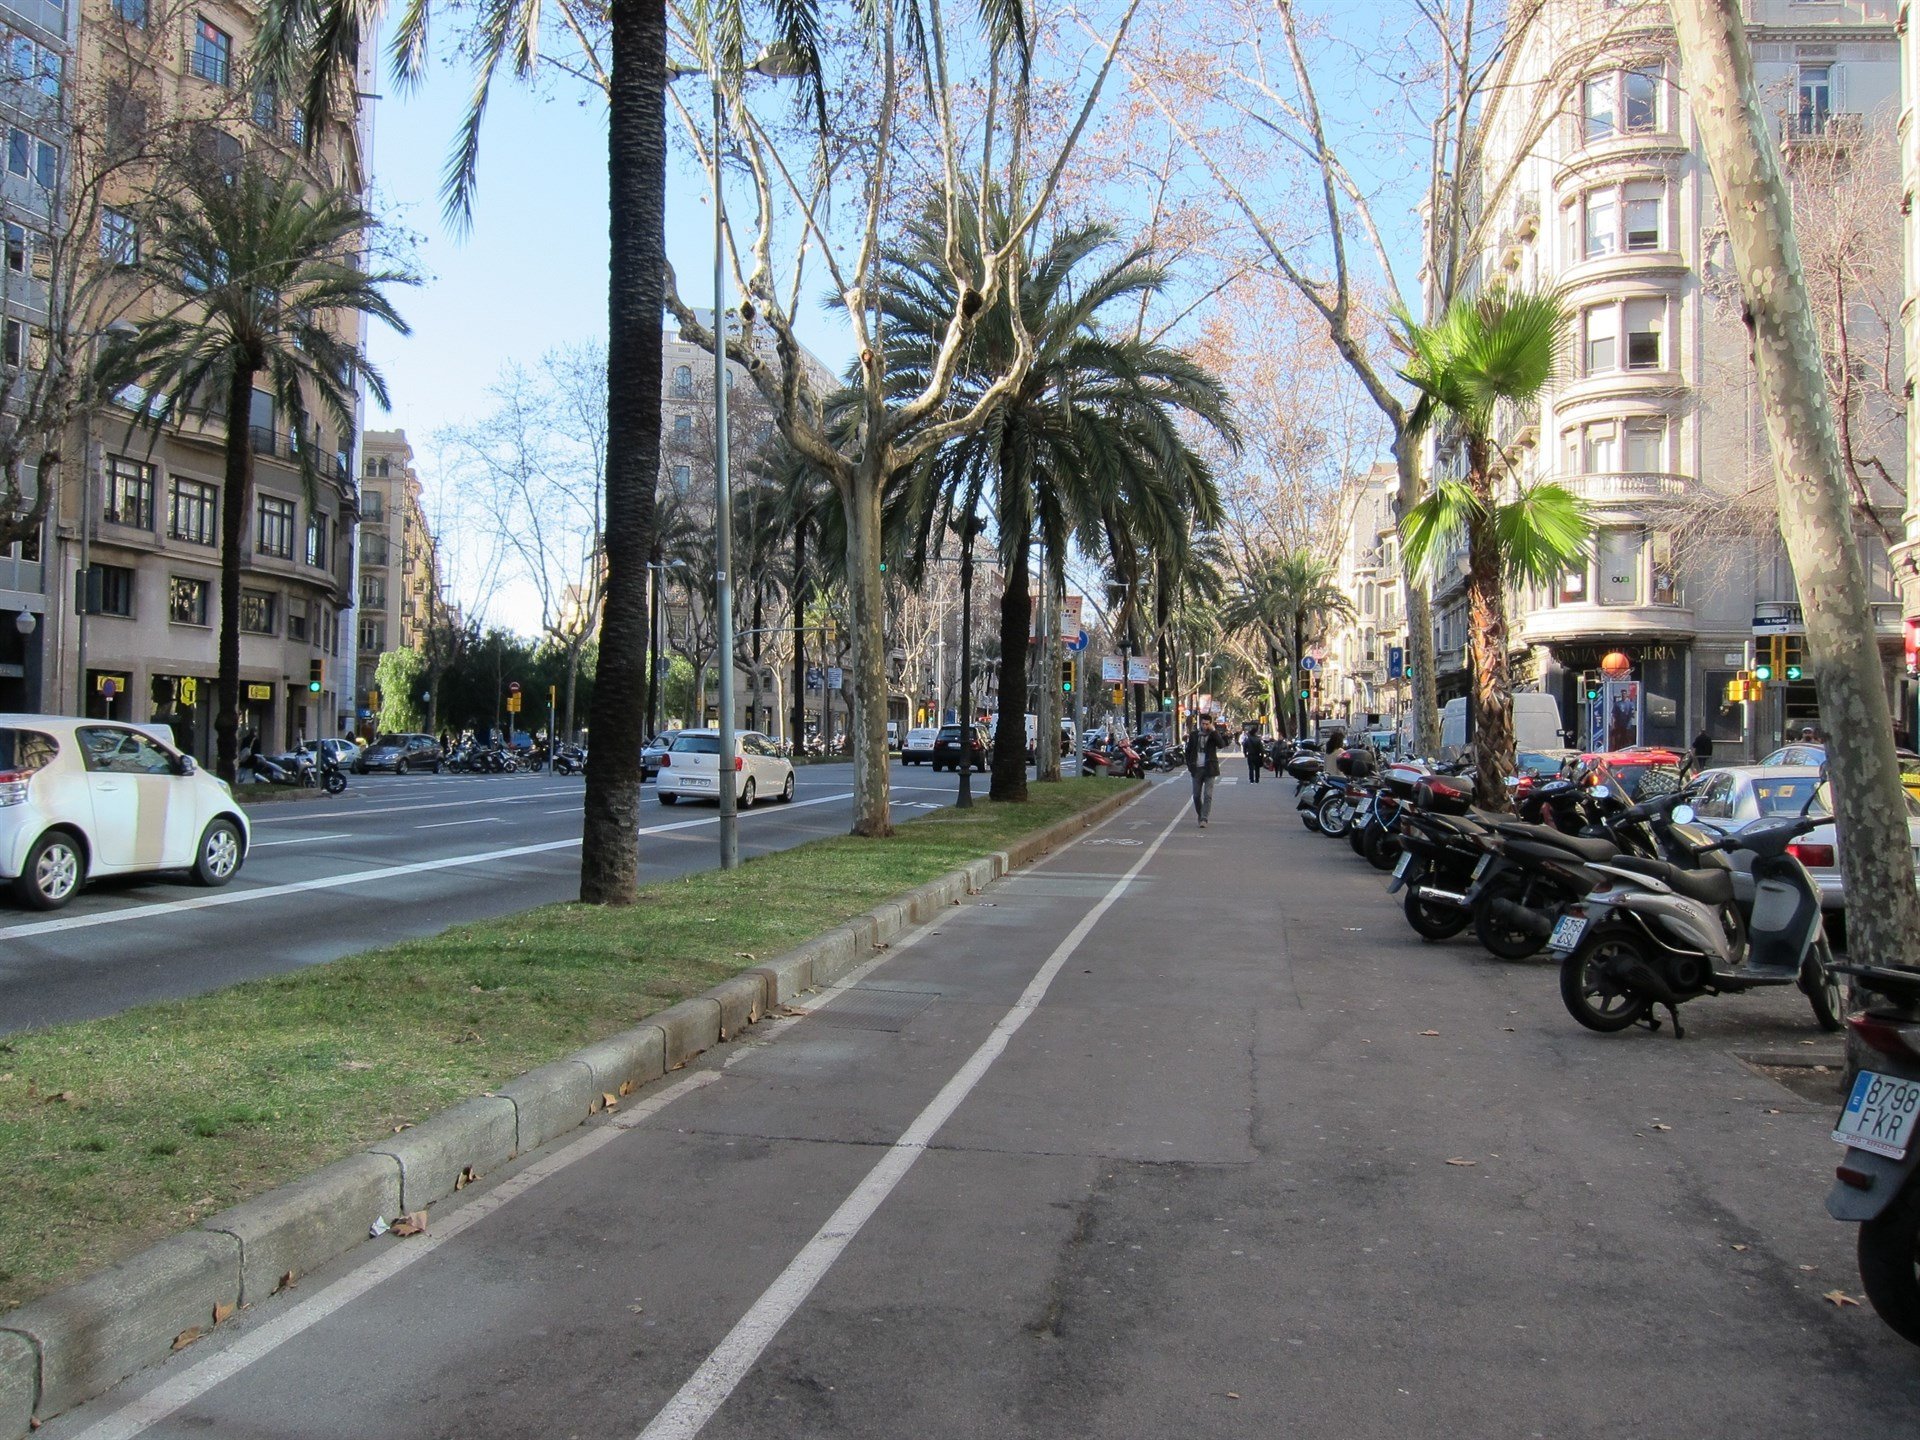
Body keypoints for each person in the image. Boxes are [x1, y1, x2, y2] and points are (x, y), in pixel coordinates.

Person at [1183, 720, 1224, 827]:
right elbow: (1188, 751)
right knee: (1196, 796)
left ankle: (1204, 818)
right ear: (1200, 724)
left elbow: (1221, 745)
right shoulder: (1194, 735)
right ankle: (1201, 814)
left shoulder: (1213, 735)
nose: (1205, 726)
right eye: (1203, 724)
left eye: (1207, 724)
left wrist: (1214, 731)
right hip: (1196, 769)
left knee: (1208, 795)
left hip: (1210, 769)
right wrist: (1190, 765)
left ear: (1210, 724)